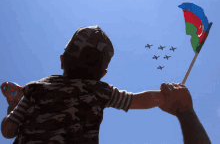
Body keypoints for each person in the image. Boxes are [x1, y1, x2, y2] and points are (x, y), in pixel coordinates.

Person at [1, 26, 211, 144]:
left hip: (27, 106)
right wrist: (168, 97)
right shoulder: (101, 91)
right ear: (103, 73)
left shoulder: (36, 87)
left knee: (17, 111)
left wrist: (14, 108)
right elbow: (140, 99)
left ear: (62, 60)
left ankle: (14, 101)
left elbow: (8, 131)